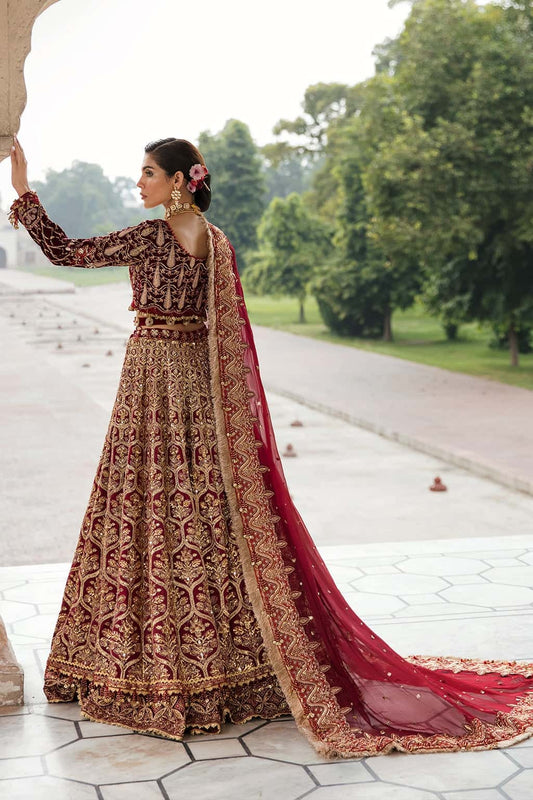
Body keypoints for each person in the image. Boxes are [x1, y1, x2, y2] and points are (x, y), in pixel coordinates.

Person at [9, 135, 533, 758]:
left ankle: (157, 671)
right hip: (201, 397)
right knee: (204, 516)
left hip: (152, 387)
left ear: (180, 180)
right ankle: (234, 668)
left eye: (148, 173)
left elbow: (66, 251)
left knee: (148, 509)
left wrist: (23, 192)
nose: (140, 183)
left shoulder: (148, 238)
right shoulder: (219, 242)